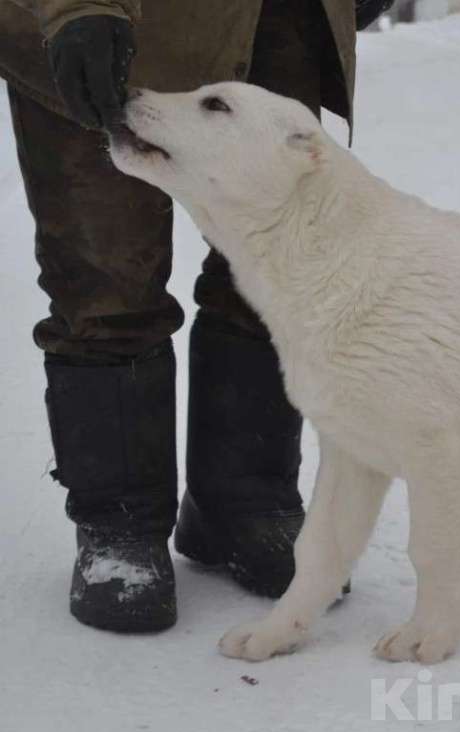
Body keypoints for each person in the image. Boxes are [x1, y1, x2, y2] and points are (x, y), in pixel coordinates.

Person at [0, 0, 388, 633]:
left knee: (264, 270)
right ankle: (120, 522)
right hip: (109, 17)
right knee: (104, 280)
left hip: (278, 17)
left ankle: (243, 502)